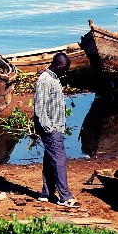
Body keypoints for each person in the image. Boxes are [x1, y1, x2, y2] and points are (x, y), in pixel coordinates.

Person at [34, 52, 79, 208]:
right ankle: (65, 197)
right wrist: (49, 129)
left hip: (55, 127)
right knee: (59, 160)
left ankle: (46, 194)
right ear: (58, 65)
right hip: (50, 128)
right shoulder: (45, 80)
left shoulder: (54, 78)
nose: (65, 71)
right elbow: (40, 108)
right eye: (65, 68)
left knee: (50, 160)